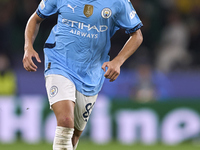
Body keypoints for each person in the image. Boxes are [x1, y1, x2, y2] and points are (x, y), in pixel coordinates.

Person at [22, 0, 143, 149]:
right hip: (59, 62)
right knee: (66, 121)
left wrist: (118, 61)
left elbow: (137, 35)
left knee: (74, 135)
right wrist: (28, 47)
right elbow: (35, 18)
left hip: (91, 71)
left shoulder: (118, 2)